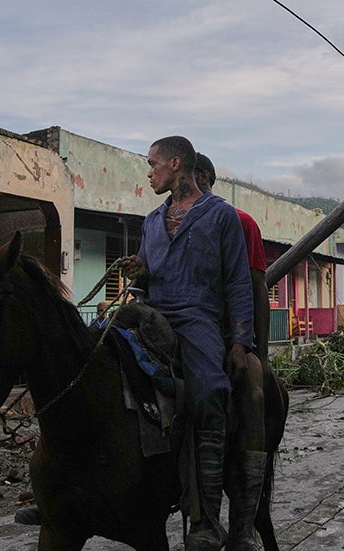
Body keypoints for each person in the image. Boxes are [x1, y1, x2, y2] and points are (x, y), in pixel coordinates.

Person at [122, 136, 254, 550]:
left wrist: (241, 342)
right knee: (88, 352)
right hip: (151, 313)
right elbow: (148, 274)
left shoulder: (221, 217)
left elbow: (237, 282)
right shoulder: (150, 221)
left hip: (197, 318)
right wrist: (138, 269)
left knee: (211, 391)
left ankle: (207, 519)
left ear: (175, 164)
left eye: (153, 164)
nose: (149, 172)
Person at [194, 152, 268, 549]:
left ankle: (242, 521)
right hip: (182, 330)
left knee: (253, 392)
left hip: (227, 335)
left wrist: (257, 350)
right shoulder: (163, 219)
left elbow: (255, 287)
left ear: (201, 176)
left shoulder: (240, 223)